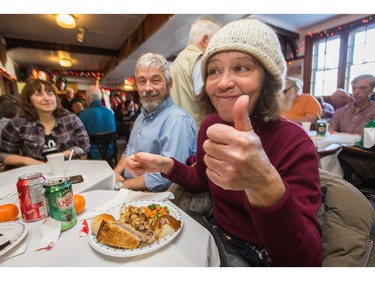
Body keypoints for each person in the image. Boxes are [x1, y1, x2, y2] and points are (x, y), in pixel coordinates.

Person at [125, 19, 322, 266]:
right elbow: (200, 180)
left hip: (258, 255)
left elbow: (308, 261)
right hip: (214, 236)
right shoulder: (210, 126)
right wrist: (166, 165)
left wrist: (263, 183)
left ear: (268, 79)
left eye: (241, 68)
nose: (222, 83)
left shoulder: (294, 142)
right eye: (214, 71)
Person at [113, 53, 197, 192]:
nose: (147, 88)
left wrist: (122, 186)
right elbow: (129, 150)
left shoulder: (178, 120)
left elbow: (167, 177)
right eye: (142, 81)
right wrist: (115, 174)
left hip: (156, 200)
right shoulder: (141, 117)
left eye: (155, 80)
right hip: (129, 190)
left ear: (169, 84)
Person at [0, 79, 90, 167]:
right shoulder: (18, 124)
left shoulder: (70, 118)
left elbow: (84, 146)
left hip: (67, 170)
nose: (47, 98)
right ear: (29, 100)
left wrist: (60, 156)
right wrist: (28, 161)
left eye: (50, 94)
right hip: (34, 175)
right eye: (39, 94)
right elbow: (4, 154)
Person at [170, 19, 220, 129]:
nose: (217, 48)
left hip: (180, 130)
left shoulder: (176, 62)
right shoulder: (200, 60)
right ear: (205, 39)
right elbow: (206, 102)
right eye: (215, 42)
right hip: (198, 133)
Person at [79, 85, 116, 159]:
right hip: (110, 153)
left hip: (93, 155)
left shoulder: (83, 114)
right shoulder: (110, 112)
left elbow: (80, 137)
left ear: (88, 98)